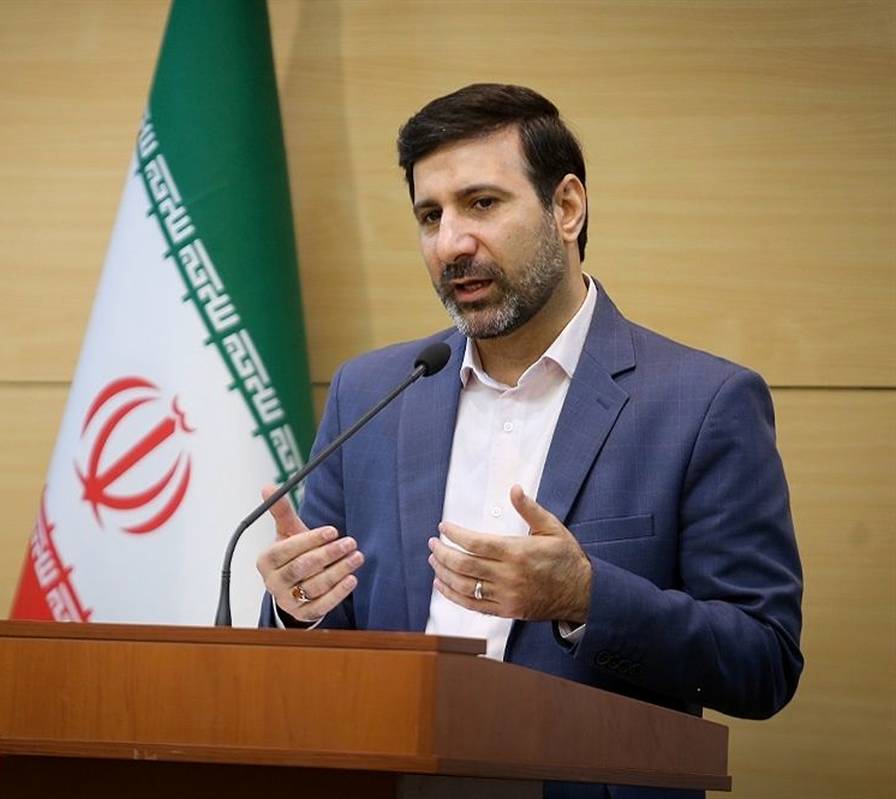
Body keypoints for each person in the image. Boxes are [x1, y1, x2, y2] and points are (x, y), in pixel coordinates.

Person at [255, 84, 804, 799]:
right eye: (430, 215)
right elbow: (335, 635)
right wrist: (298, 608)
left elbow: (763, 661)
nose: (451, 243)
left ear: (566, 207)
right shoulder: (372, 393)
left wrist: (587, 597)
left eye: (482, 203)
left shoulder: (702, 404)